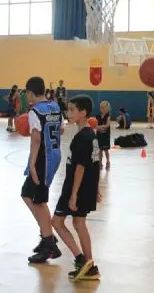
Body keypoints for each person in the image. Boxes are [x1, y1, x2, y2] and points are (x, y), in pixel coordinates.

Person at [51, 94, 102, 281]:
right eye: (68, 109)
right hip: (85, 187)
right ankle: (90, 266)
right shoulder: (91, 135)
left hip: (76, 188)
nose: (68, 113)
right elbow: (95, 164)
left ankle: (81, 260)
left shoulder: (83, 137)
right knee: (79, 223)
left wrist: (73, 195)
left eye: (72, 110)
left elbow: (80, 167)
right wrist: (95, 187)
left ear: (83, 112)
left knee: (56, 222)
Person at [20, 76, 65, 263]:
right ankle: (47, 233)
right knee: (27, 194)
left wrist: (32, 163)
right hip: (54, 154)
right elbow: (61, 130)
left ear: (30, 93)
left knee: (38, 201)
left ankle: (49, 245)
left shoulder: (34, 111)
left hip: (42, 158)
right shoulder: (55, 106)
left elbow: (36, 139)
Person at [96, 101, 111, 170]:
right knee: (100, 150)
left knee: (106, 150)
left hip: (106, 135)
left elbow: (108, 125)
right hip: (99, 135)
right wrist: (97, 127)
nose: (102, 109)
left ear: (107, 108)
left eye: (104, 108)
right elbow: (95, 125)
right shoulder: (98, 116)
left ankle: (108, 161)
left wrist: (101, 127)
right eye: (101, 108)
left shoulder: (108, 116)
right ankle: (100, 163)